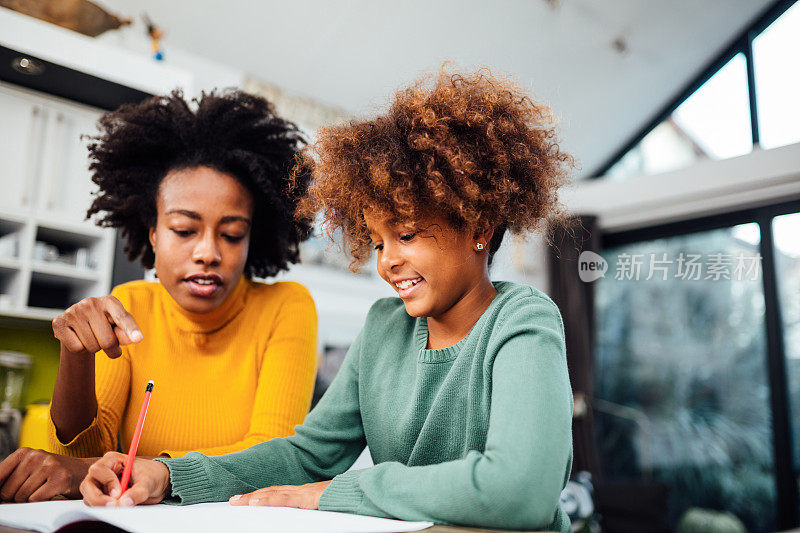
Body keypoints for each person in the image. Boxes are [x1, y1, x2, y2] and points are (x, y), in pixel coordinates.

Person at [80, 69, 575, 531]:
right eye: (378, 242)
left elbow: (520, 490)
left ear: (479, 227)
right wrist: (170, 477)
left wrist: (336, 492)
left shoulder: (522, 319)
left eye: (406, 235)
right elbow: (307, 456)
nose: (387, 262)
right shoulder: (386, 325)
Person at [0, 90, 318, 503]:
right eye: (185, 230)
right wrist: (75, 356)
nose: (208, 252)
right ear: (153, 235)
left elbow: (272, 456)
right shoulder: (131, 304)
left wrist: (160, 471)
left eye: (232, 234)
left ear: (251, 240)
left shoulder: (286, 306)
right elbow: (83, 457)